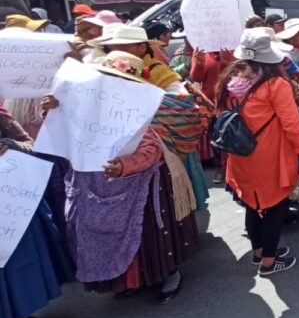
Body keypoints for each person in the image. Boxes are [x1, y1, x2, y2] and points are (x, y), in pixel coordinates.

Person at [41, 52, 199, 303]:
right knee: (109, 234)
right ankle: (131, 279)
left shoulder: (139, 106)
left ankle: (166, 273)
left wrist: (125, 165)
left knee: (148, 233)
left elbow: (151, 148)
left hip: (141, 185)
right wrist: (54, 110)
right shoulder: (85, 102)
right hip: (99, 185)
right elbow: (66, 131)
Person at [219, 29, 299, 276]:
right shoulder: (276, 84)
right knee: (275, 208)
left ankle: (258, 252)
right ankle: (268, 261)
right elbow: (293, 125)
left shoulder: (232, 80)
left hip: (240, 154)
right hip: (269, 156)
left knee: (252, 205)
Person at [0, 106, 74, 318]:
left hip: (11, 205)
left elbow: (30, 145)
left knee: (16, 264)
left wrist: (9, 147)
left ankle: (21, 314)